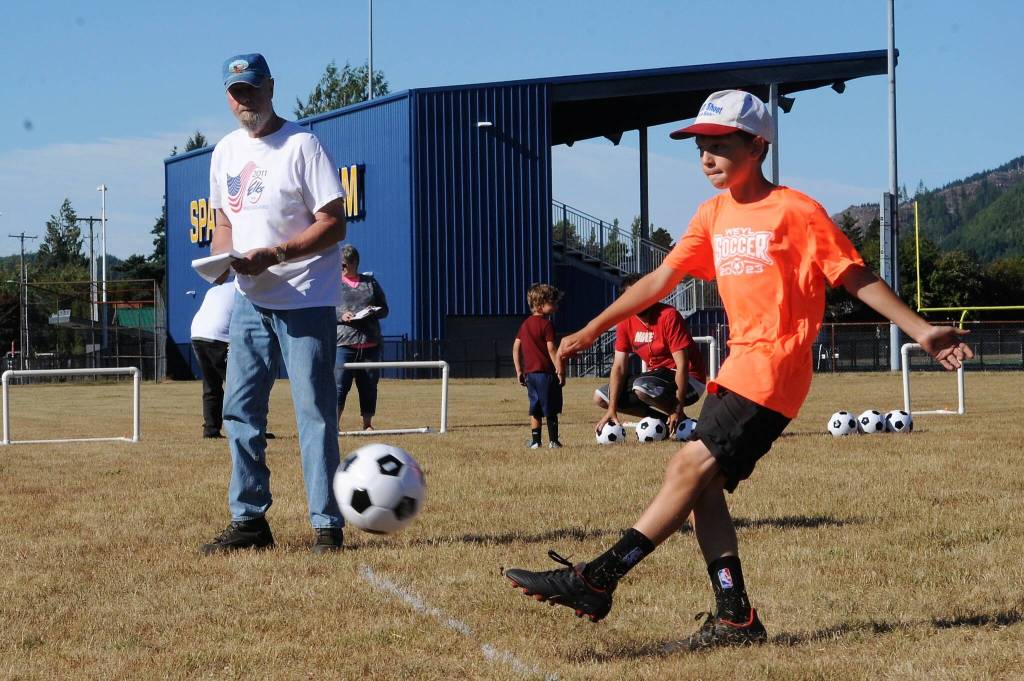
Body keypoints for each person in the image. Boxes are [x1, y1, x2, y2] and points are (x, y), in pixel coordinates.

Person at [503, 90, 973, 649]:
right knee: (702, 494)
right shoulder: (713, 214)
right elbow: (657, 282)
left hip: (775, 369)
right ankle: (736, 619)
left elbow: (852, 275)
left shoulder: (798, 211)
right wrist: (589, 331)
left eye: (720, 144)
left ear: (757, 145)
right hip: (738, 367)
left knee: (685, 468)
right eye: (701, 147)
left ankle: (598, 578)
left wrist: (919, 329)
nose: (706, 157)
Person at [199, 53, 349, 556]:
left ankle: (326, 525)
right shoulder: (223, 152)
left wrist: (278, 254)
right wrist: (221, 260)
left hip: (305, 298)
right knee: (239, 410)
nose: (246, 101)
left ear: (271, 88)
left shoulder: (302, 145)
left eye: (253, 90)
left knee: (314, 413)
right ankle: (249, 520)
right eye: (237, 92)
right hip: (249, 301)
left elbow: (335, 222)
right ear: (227, 96)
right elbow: (225, 222)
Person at [595, 272, 707, 436]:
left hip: (690, 380)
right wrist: (612, 409)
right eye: (631, 297)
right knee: (601, 396)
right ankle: (664, 422)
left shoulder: (668, 315)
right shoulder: (625, 321)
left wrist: (678, 407)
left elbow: (682, 365)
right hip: (655, 378)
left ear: (650, 293)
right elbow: (619, 367)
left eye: (640, 294)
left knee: (642, 386)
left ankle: (678, 417)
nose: (637, 300)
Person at [335, 244, 390, 432]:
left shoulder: (370, 283)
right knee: (340, 384)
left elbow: (384, 308)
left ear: (354, 263)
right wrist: (341, 316)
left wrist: (373, 312)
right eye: (339, 264)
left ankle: (367, 424)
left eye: (344, 264)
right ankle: (335, 424)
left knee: (368, 385)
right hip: (344, 343)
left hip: (370, 343)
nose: (341, 267)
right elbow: (324, 310)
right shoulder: (333, 284)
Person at [512, 283, 565, 449]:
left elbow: (516, 346)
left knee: (535, 408)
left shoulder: (525, 324)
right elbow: (551, 349)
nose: (556, 307)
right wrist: (560, 369)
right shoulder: (547, 325)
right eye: (553, 303)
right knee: (551, 408)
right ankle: (553, 441)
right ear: (541, 305)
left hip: (530, 375)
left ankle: (535, 441)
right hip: (546, 374)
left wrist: (519, 370)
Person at [190, 280, 235, 438]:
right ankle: (247, 428)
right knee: (239, 384)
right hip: (219, 337)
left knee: (211, 384)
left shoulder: (216, 289)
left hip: (197, 334)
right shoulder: (245, 290)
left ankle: (211, 429)